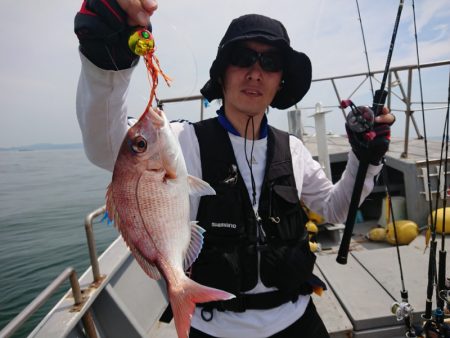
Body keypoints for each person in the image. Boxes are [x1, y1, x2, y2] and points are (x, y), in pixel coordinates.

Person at [74, 1, 395, 337]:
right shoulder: (183, 141)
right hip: (214, 327)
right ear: (222, 73)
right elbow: (105, 144)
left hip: (297, 320)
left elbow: (335, 209)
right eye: (242, 58)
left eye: (270, 62)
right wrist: (104, 58)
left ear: (281, 81)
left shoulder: (294, 150)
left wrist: (365, 157)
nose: (255, 73)